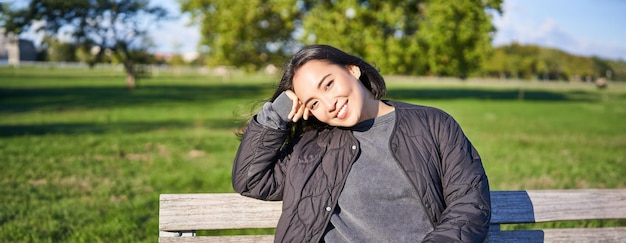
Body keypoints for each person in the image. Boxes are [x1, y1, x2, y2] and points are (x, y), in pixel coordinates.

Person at [232, 44, 491, 242]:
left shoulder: (433, 124)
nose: (329, 103)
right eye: (313, 103)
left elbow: (468, 205)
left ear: (352, 69)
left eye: (329, 84)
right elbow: (251, 180)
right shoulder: (311, 148)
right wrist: (275, 116)